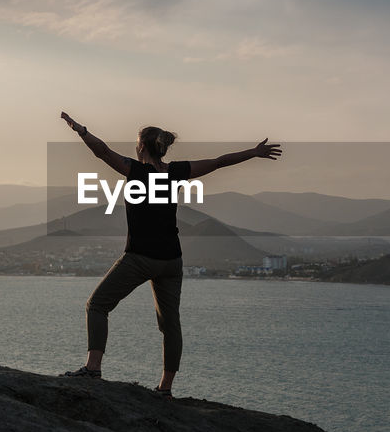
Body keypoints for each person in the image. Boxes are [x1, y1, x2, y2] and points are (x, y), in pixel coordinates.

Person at [59, 111, 281, 397]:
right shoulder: (175, 171)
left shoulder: (136, 171)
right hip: (172, 261)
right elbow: (218, 162)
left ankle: (92, 368)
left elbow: (102, 152)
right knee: (170, 324)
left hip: (140, 257)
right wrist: (254, 152)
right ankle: (165, 388)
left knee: (97, 305)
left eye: (137, 142)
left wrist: (81, 130)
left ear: (142, 147)